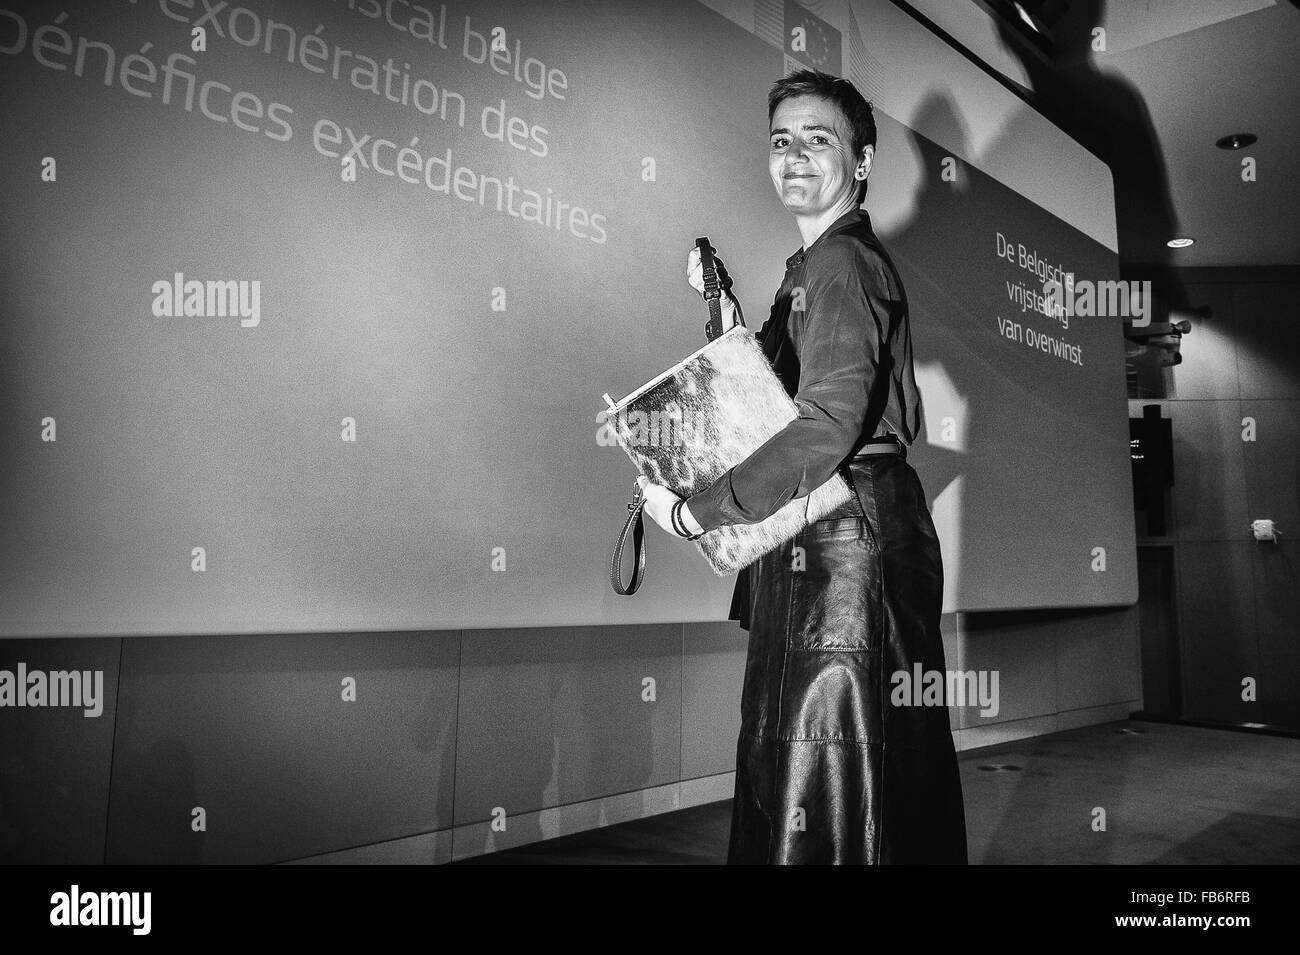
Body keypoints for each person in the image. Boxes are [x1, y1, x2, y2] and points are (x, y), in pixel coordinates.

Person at [635, 69, 968, 864]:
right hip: (839, 537)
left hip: (849, 548)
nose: (793, 156)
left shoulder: (842, 265)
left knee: (837, 770)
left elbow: (821, 427)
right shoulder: (815, 265)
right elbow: (780, 402)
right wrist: (724, 316)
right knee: (841, 764)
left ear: (860, 163)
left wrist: (696, 511)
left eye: (818, 139)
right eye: (781, 141)